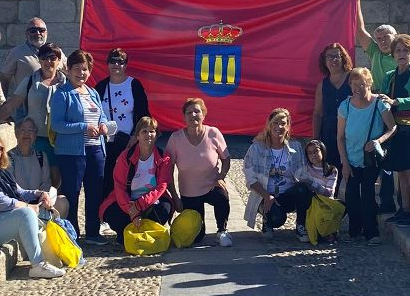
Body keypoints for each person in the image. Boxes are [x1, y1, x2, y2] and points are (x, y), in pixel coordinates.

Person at [0, 132, 66, 279]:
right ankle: (38, 264)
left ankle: (52, 255)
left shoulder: (0, 172)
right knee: (26, 214)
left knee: (49, 207)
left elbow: (19, 191)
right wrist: (27, 206)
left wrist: (39, 194)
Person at [50, 49, 116, 245]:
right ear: (68, 71)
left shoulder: (93, 92)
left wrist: (103, 125)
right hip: (71, 153)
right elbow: (57, 125)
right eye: (77, 69)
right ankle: (72, 234)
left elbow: (101, 116)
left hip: (96, 150)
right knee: (72, 192)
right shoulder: (62, 94)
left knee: (95, 192)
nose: (81, 73)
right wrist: (83, 128)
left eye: (85, 69)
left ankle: (93, 233)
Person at [337, 67, 397, 244]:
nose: (358, 89)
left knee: (369, 194)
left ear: (369, 84)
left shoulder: (379, 104)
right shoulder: (345, 106)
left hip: (370, 159)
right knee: (352, 195)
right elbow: (340, 137)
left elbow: (392, 127)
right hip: (351, 158)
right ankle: (354, 230)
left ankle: (372, 232)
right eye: (354, 85)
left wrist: (379, 141)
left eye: (362, 84)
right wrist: (345, 164)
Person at [0, 42, 66, 189]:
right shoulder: (29, 81)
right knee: (39, 177)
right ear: (39, 60)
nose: (48, 61)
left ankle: (55, 209)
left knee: (57, 177)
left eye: (53, 57)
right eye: (44, 57)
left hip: (60, 138)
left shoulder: (66, 83)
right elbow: (13, 103)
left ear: (59, 60)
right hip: (37, 137)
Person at [166, 98, 232, 247]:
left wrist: (221, 177)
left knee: (222, 197)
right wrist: (175, 197)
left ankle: (222, 230)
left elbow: (226, 159)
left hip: (211, 186)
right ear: (184, 117)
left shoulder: (214, 133)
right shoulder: (175, 139)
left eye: (197, 111)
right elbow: (167, 171)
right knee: (197, 238)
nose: (193, 115)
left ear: (203, 115)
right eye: (189, 112)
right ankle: (200, 230)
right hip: (189, 193)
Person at [99, 116, 173, 242]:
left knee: (163, 210)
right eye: (144, 131)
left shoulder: (163, 157)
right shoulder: (125, 157)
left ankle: (146, 230)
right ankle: (127, 232)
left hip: (150, 201)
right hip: (127, 201)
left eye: (152, 131)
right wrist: (132, 211)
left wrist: (140, 205)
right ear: (137, 136)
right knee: (113, 215)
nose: (148, 135)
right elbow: (119, 186)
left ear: (157, 135)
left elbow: (162, 186)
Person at [244, 108, 313, 242]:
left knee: (303, 189)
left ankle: (301, 225)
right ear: (269, 125)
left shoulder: (296, 147)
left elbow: (304, 174)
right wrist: (266, 195)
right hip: (265, 195)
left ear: (288, 127)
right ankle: (267, 221)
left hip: (287, 194)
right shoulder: (256, 148)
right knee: (277, 219)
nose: (279, 127)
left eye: (283, 123)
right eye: (275, 123)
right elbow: (250, 178)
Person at [355, 8, 399, 214]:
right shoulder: (374, 51)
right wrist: (354, 0)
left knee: (389, 156)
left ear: (395, 38)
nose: (382, 41)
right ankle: (375, 200)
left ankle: (389, 200)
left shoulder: (400, 55)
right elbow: (359, 29)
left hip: (395, 106)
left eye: (386, 37)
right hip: (376, 104)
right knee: (375, 151)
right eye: (379, 38)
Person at [93, 48, 150, 202]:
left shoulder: (134, 85)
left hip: (127, 141)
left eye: (120, 61)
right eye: (113, 61)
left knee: (126, 178)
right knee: (105, 177)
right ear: (107, 64)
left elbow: (144, 115)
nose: (116, 64)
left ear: (126, 65)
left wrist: (135, 137)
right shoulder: (101, 86)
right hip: (105, 141)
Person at [378, 34, 410, 227]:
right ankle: (403, 209)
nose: (401, 54)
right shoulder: (390, 76)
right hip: (395, 129)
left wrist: (397, 101)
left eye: (406, 50)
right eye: (398, 50)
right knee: (401, 172)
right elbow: (382, 98)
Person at [7, 117, 70, 220]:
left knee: (63, 202)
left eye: (30, 130)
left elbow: (46, 182)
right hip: (18, 205)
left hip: (40, 201)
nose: (26, 134)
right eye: (23, 130)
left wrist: (41, 199)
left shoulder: (41, 156)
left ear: (35, 135)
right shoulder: (8, 157)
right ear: (16, 133)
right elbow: (11, 186)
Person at [312, 43, 353, 183]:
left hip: (351, 134)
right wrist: (315, 139)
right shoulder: (322, 85)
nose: (333, 60)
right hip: (328, 135)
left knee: (351, 174)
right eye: (329, 57)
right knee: (331, 175)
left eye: (337, 56)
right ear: (324, 61)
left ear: (343, 58)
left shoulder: (353, 78)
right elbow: (318, 114)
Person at [0, 17, 55, 95]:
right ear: (27, 34)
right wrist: (2, 103)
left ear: (46, 33)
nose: (38, 33)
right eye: (33, 31)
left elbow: (68, 71)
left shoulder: (56, 52)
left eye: (41, 30)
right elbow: (4, 79)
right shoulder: (16, 53)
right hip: (24, 104)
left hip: (52, 104)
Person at [304, 139, 339, 243]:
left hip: (325, 202)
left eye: (315, 151)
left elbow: (329, 192)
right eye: (310, 153)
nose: (313, 155)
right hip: (310, 201)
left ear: (322, 151)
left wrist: (313, 185)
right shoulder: (305, 169)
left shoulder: (331, 170)